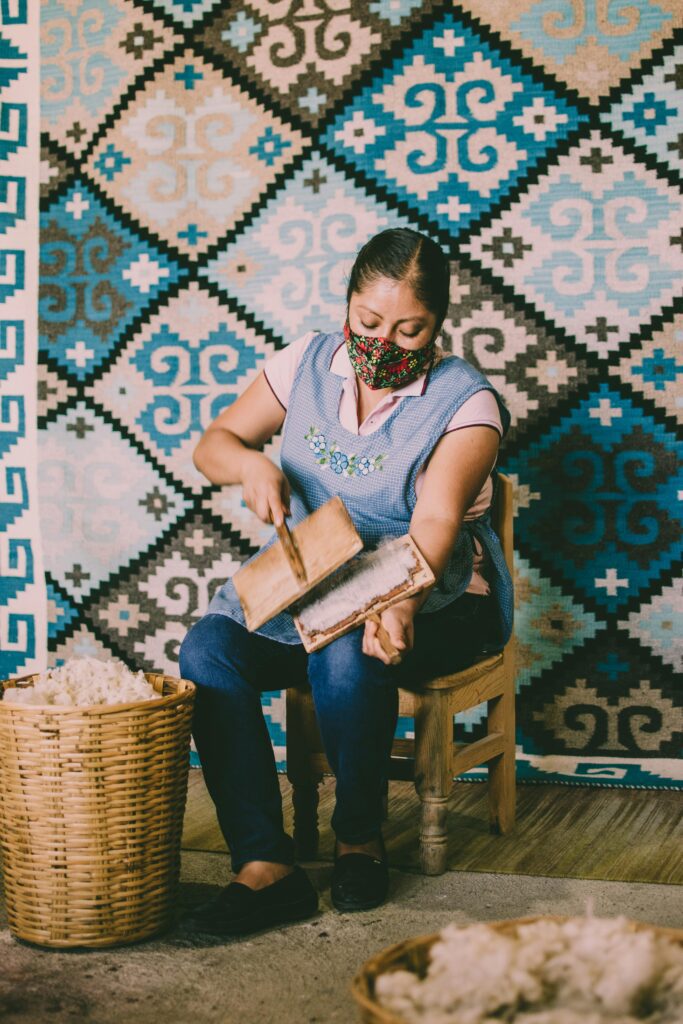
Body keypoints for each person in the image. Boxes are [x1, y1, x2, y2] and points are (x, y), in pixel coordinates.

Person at [179, 227, 513, 936]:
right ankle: (264, 864)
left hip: (436, 592)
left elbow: (435, 523)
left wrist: (402, 603)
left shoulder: (466, 403)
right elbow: (215, 444)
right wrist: (250, 464)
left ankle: (359, 838)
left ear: (437, 324)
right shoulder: (307, 363)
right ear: (348, 306)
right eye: (368, 321)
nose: (383, 342)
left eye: (408, 329)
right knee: (207, 652)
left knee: (344, 648)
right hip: (316, 578)